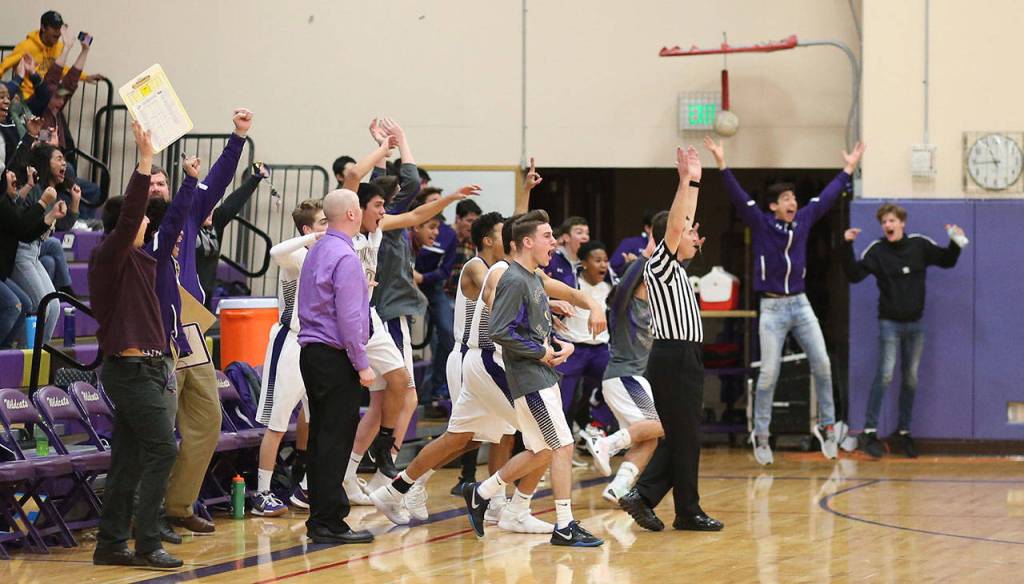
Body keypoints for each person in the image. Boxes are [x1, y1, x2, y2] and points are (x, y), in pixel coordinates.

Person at [704, 135, 865, 465]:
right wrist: (722, 164)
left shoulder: (803, 221)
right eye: (787, 198)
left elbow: (826, 199)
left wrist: (848, 169)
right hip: (773, 308)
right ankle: (761, 434)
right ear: (775, 205)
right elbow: (738, 197)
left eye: (794, 197)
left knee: (822, 364)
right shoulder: (762, 225)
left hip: (801, 304)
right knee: (769, 374)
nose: (793, 202)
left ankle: (828, 426)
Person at [463, 209, 604, 547]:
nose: (553, 242)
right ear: (527, 242)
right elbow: (500, 330)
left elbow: (533, 330)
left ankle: (481, 492)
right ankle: (565, 524)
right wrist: (540, 353)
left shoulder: (532, 278)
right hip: (530, 377)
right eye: (547, 236)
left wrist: (559, 346)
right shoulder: (512, 278)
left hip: (543, 372)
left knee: (541, 451)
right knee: (563, 446)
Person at [89, 122, 182, 569]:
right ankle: (148, 542)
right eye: (143, 216)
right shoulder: (112, 256)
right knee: (164, 448)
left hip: (149, 369)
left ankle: (109, 545)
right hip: (126, 372)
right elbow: (130, 217)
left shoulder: (146, 259)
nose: (148, 220)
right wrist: (145, 159)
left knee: (126, 460)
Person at [618, 146, 722, 533]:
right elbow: (678, 224)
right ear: (671, 236)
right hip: (673, 356)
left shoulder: (677, 268)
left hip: (685, 357)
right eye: (691, 232)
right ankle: (686, 511)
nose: (697, 235)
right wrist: (687, 182)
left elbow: (684, 225)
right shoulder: (659, 265)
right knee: (686, 439)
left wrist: (695, 183)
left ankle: (643, 496)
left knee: (682, 438)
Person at [159, 109, 252, 539]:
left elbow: (216, 184)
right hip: (158, 334)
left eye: (165, 182)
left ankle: (179, 504)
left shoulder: (191, 213)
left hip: (193, 332)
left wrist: (237, 137)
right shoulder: (140, 226)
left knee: (208, 418)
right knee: (159, 428)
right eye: (153, 183)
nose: (160, 188)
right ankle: (148, 511)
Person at [843, 203, 965, 458]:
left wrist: (955, 242)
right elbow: (854, 275)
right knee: (885, 375)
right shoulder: (877, 251)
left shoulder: (919, 245)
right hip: (889, 322)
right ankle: (869, 431)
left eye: (892, 221)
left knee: (910, 378)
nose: (888, 225)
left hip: (915, 324)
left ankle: (903, 432)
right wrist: (847, 245)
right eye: (884, 222)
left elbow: (947, 260)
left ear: (902, 223)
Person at [297, 188, 375, 545]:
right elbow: (349, 317)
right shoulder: (344, 256)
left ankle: (322, 518)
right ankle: (329, 521)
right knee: (334, 439)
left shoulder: (317, 250)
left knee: (321, 438)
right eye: (358, 208)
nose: (360, 212)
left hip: (313, 353)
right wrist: (362, 364)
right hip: (333, 355)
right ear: (350, 215)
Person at [250, 199, 327, 516]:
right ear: (308, 229)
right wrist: (313, 239)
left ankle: (307, 488)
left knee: (321, 419)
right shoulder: (299, 254)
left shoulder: (330, 255)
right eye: (322, 222)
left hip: (316, 344)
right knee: (278, 421)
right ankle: (262, 493)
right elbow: (274, 252)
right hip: (290, 342)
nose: (329, 225)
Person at [578, 234, 667, 504]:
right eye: (648, 282)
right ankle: (605, 442)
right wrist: (648, 253)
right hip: (623, 377)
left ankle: (618, 488)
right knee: (661, 425)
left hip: (631, 380)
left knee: (649, 439)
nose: (652, 287)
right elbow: (634, 276)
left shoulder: (648, 306)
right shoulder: (624, 304)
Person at [554, 240, 612, 434]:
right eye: (597, 260)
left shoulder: (610, 287)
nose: (603, 264)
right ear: (584, 263)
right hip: (572, 347)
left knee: (615, 383)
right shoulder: (572, 282)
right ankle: (558, 445)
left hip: (600, 350)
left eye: (605, 260)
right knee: (564, 401)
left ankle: (595, 426)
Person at [1, 169, 63, 348]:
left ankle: (36, 355)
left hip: (29, 253)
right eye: (8, 173)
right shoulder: (4, 203)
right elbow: (22, 226)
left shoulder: (10, 202)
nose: (14, 176)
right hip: (19, 258)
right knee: (17, 305)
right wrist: (43, 203)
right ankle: (20, 354)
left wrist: (51, 216)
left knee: (52, 306)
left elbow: (27, 234)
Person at [195, 163, 269, 308]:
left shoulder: (215, 221)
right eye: (204, 207)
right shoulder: (184, 225)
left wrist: (255, 178)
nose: (209, 211)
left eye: (211, 206)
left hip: (207, 293)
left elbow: (234, 202)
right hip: (187, 292)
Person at [413, 188, 459, 402]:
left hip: (432, 285)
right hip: (406, 284)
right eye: (433, 201)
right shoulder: (408, 230)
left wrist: (422, 278)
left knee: (448, 333)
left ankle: (438, 385)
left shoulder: (449, 234)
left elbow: (445, 271)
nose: (438, 204)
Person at [0, 11, 103, 101]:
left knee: (65, 92)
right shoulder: (27, 46)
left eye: (59, 28)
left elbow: (60, 70)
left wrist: (85, 77)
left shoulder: (59, 47)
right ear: (43, 27)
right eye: (54, 28)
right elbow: (4, 65)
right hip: (28, 98)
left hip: (48, 95)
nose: (58, 32)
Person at [544, 216, 590, 286]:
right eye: (579, 233)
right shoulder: (551, 260)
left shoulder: (587, 263)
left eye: (587, 233)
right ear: (566, 237)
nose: (585, 237)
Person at [609, 210, 654, 277]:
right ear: (647, 228)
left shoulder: (670, 247)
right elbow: (613, 266)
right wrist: (630, 266)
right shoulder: (630, 243)